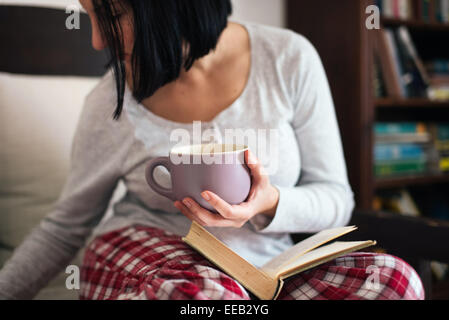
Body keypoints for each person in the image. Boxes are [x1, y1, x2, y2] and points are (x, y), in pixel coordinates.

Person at [0, 0, 424, 300]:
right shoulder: (110, 101)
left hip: (264, 271)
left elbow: (336, 200)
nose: (96, 41)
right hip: (147, 251)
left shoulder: (289, 59)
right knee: (202, 295)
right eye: (90, 17)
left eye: (110, 15)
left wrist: (268, 203)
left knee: (393, 281)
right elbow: (64, 228)